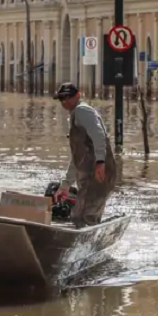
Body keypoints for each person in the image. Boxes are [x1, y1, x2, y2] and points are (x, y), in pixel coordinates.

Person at [52, 82, 117, 228]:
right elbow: (77, 159)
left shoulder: (82, 111)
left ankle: (84, 245)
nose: (65, 102)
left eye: (68, 98)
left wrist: (100, 162)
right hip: (89, 178)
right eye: (62, 99)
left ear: (78, 96)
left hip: (98, 174)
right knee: (81, 215)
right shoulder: (76, 116)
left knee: (84, 217)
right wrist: (66, 185)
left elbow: (99, 135)